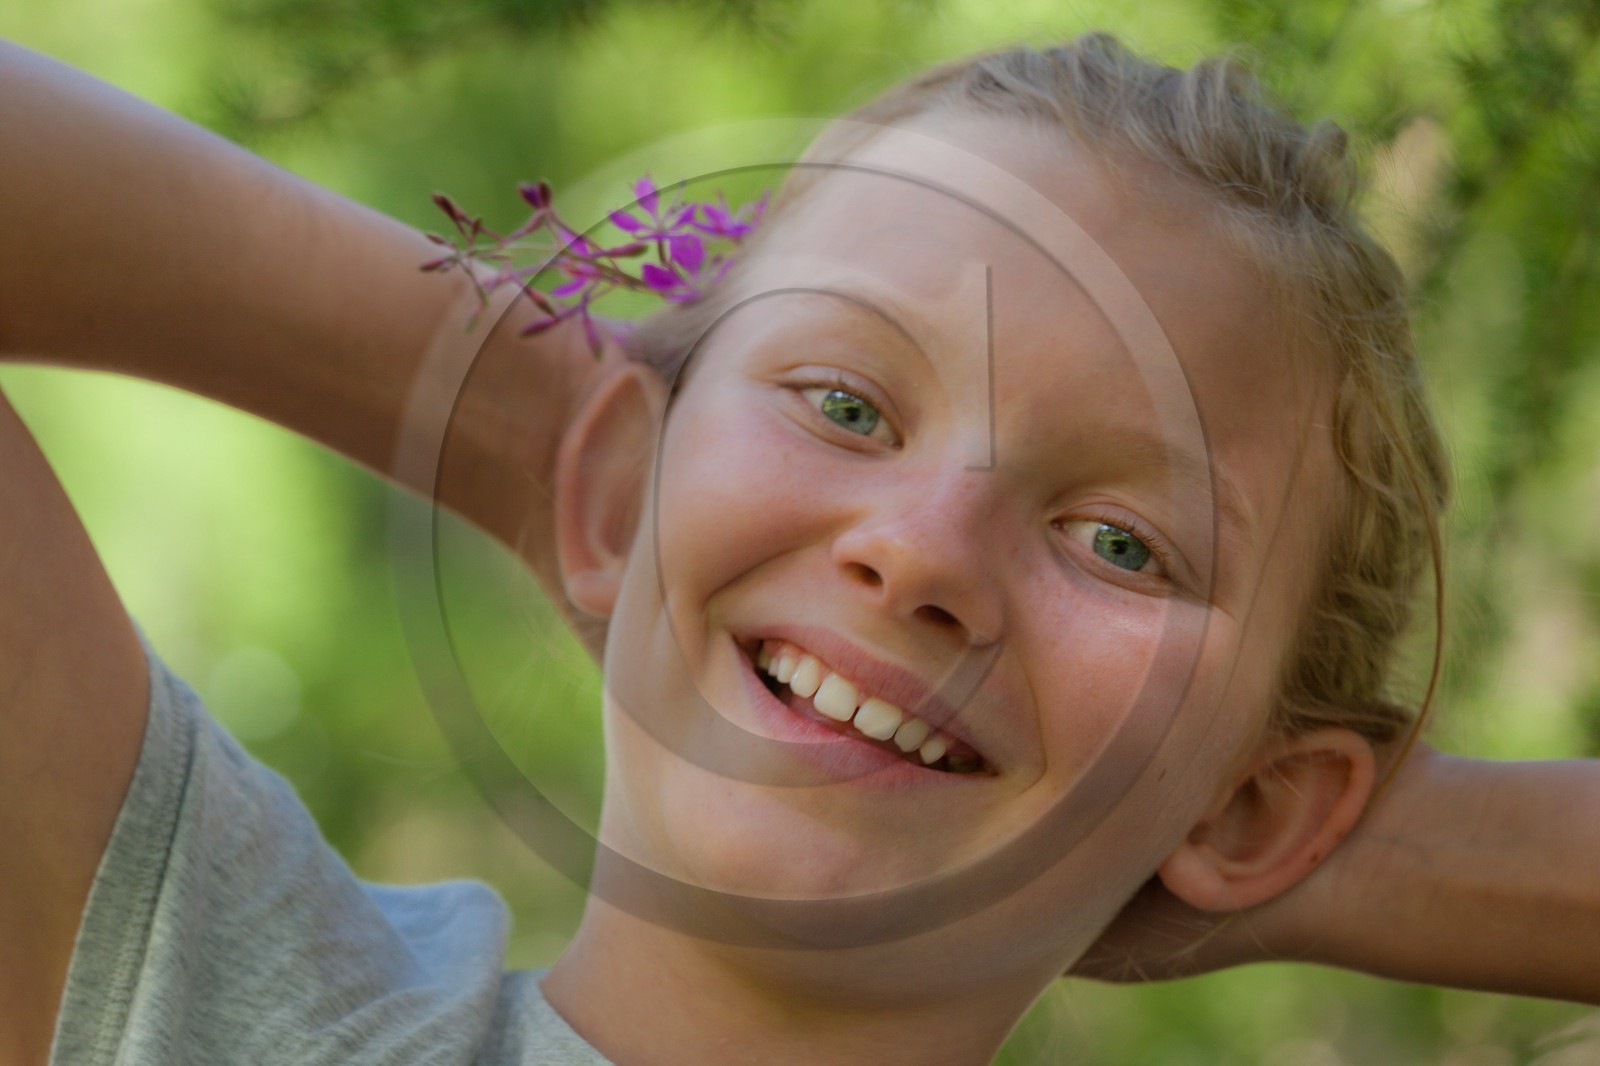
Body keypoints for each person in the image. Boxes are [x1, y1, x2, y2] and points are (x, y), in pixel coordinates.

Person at [1, 30, 1596, 1066]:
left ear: (1259, 802)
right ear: (618, 493)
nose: (924, 554)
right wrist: (528, 419)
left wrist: (1258, 840)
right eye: (841, 402)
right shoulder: (210, 987)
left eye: (1120, 539)